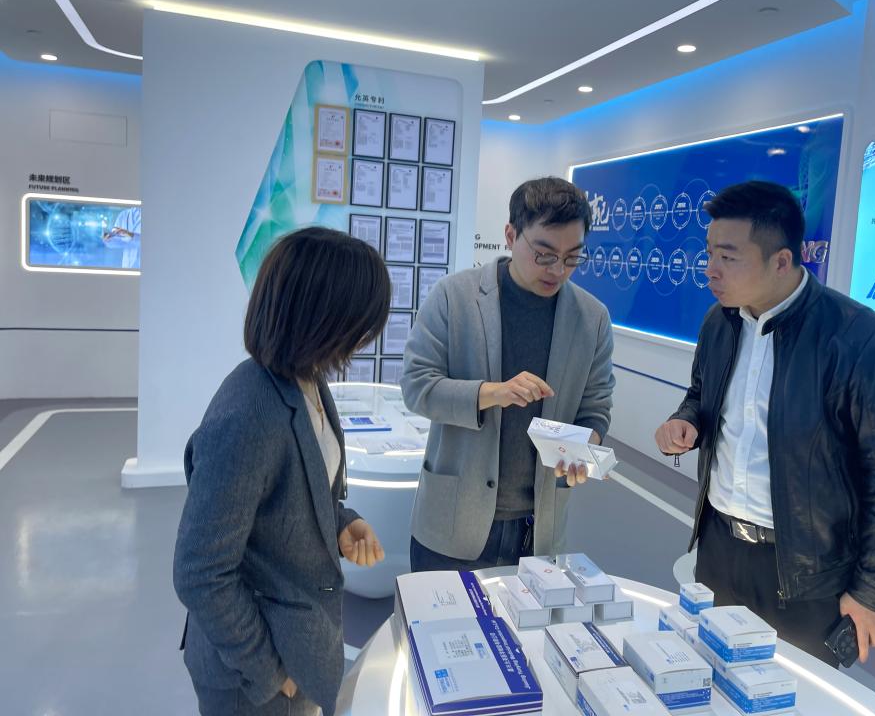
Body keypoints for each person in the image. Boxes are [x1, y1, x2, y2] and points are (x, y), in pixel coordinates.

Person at [654, 180, 875, 665]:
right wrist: (685, 420)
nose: (710, 268)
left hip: (805, 571)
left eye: (728, 256)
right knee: (707, 675)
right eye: (710, 252)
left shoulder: (859, 340)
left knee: (791, 692)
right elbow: (701, 395)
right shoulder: (720, 322)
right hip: (718, 550)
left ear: (781, 261)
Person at [173, 227, 389, 715]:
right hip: (253, 681)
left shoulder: (307, 379)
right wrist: (273, 672)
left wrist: (341, 522)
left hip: (297, 645)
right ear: (321, 318)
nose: (364, 337)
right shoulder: (248, 412)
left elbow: (301, 488)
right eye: (359, 322)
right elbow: (199, 572)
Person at [401, 176, 614, 571]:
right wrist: (491, 393)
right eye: (544, 254)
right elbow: (417, 387)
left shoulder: (592, 318)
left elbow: (596, 408)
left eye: (572, 258)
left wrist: (585, 448)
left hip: (539, 530)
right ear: (511, 235)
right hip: (453, 522)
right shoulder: (454, 296)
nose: (558, 270)